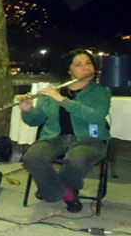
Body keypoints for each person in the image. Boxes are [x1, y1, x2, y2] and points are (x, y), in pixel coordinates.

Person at [19, 49, 111, 213]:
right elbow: (36, 121)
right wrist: (28, 110)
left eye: (88, 63)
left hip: (88, 139)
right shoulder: (53, 91)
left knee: (76, 159)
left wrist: (62, 100)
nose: (86, 68)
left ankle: (51, 187)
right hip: (55, 137)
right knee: (31, 157)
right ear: (69, 71)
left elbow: (95, 117)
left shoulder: (101, 92)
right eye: (79, 65)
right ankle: (65, 193)